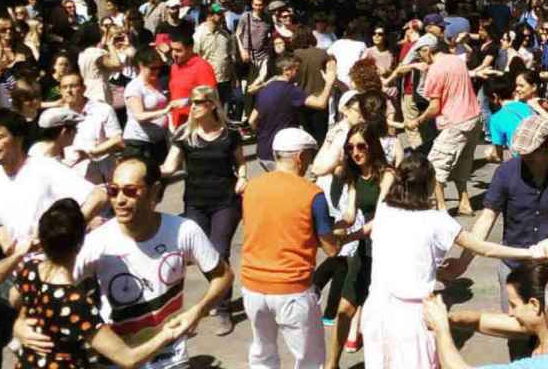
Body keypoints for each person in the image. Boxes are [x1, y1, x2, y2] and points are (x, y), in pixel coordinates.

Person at [362, 156, 548, 369]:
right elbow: (484, 248)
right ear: (430, 184)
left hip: (377, 310)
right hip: (414, 317)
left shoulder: (385, 211)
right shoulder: (436, 220)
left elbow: (400, 257)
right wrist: (530, 253)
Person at [63, 155, 233, 367]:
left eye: (131, 191)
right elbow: (52, 288)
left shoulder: (183, 231)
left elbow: (223, 275)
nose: (120, 200)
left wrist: (198, 311)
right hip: (118, 361)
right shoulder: (95, 244)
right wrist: (22, 326)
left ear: (154, 192)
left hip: (171, 358)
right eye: (113, 191)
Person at [0, 109, 108, 367]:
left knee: (51, 342)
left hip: (52, 273)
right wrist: (8, 245)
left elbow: (98, 197)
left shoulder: (43, 168)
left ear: (17, 138)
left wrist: (62, 231)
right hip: (16, 271)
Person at [9, 199, 190, 369]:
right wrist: (167, 335)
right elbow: (127, 358)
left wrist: (22, 322)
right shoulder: (75, 302)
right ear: (79, 244)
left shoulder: (30, 270)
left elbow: (14, 298)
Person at [444, 115, 548, 309]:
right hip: (513, 265)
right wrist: (463, 262)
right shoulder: (506, 172)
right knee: (515, 324)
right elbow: (486, 219)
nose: (525, 160)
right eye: (521, 154)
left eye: (532, 155)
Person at [241, 127, 336, 369]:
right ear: (300, 157)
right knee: (309, 360)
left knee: (262, 355)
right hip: (292, 289)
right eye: (310, 157)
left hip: (253, 287)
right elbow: (331, 249)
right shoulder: (312, 194)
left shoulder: (252, 188)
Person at [160, 85, 246, 335]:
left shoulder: (229, 134)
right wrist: (148, 171)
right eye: (192, 102)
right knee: (198, 256)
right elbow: (169, 166)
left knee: (219, 252)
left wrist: (242, 177)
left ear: (211, 104)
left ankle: (222, 309)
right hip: (195, 203)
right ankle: (209, 302)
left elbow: (240, 163)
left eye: (198, 102)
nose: (193, 107)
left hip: (225, 202)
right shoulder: (184, 134)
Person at [326, 124, 397, 369]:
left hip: (388, 250)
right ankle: (331, 364)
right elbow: (349, 213)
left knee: (385, 316)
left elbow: (381, 218)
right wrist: (332, 227)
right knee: (344, 309)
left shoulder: (387, 174)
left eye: (360, 146)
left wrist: (348, 238)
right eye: (350, 148)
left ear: (372, 146)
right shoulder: (356, 175)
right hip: (365, 249)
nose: (355, 152)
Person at [405, 38, 480, 215]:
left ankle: (441, 210)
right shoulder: (456, 60)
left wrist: (417, 121)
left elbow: (434, 107)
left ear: (427, 50)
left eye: (420, 53)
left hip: (454, 122)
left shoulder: (435, 70)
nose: (420, 57)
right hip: (473, 117)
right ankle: (464, 203)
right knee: (462, 165)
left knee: (434, 168)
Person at [446, 264, 548, 357]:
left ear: (534, 305)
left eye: (513, 305)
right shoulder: (539, 327)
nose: (510, 313)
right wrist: (445, 318)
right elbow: (478, 320)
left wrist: (441, 331)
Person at [248, 54, 334, 171]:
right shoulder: (292, 91)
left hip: (263, 152)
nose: (299, 73)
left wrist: (261, 133)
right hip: (283, 154)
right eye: (297, 70)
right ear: (286, 71)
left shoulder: (264, 90)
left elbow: (252, 120)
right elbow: (321, 103)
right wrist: (329, 82)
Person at [60, 73, 124, 184]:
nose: (68, 90)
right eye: (64, 87)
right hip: (69, 178)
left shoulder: (102, 109)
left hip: (100, 179)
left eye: (73, 86)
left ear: (83, 88)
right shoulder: (57, 116)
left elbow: (118, 141)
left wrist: (92, 153)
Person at [122, 48, 172, 165]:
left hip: (158, 141)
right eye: (152, 68)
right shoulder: (134, 87)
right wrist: (164, 112)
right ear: (141, 66)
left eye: (158, 68)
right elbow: (139, 116)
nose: (156, 71)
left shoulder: (157, 82)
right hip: (139, 142)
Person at [167, 32, 217, 129]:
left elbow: (212, 96)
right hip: (176, 124)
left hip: (195, 125)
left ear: (190, 49)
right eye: (172, 49)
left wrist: (186, 102)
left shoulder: (202, 66)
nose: (174, 54)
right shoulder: (174, 66)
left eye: (178, 50)